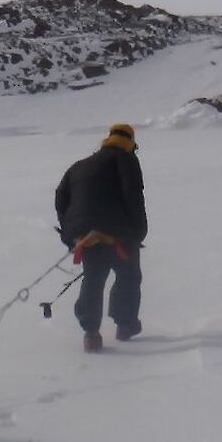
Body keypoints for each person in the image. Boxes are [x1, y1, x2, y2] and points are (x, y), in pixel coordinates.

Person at [54, 123, 147, 352]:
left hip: (86, 235)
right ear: (130, 142)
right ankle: (125, 325)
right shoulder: (126, 160)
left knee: (94, 279)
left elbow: (60, 197)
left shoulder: (79, 166)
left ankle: (91, 333)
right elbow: (132, 195)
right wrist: (138, 232)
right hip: (117, 234)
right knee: (128, 275)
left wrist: (72, 233)